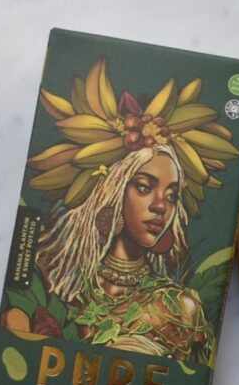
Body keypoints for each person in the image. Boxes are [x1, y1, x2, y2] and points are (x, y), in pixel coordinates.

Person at [36, 144, 209, 361]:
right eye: (144, 187)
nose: (161, 206)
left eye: (172, 196)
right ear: (115, 190)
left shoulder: (179, 307)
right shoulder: (64, 292)